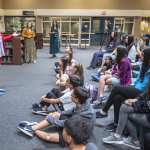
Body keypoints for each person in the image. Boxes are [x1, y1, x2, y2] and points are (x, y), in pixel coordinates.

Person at [17, 87, 95, 147]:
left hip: (79, 133)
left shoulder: (82, 115)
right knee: (55, 115)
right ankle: (34, 127)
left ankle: (34, 130)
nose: (70, 96)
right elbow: (72, 110)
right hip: (75, 124)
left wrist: (52, 120)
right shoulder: (83, 103)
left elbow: (66, 123)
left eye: (72, 95)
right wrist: (59, 114)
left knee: (47, 137)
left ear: (77, 99)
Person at [96, 48, 150, 132]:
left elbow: (145, 87)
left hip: (141, 92)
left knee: (116, 88)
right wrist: (132, 85)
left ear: (147, 57)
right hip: (135, 87)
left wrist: (134, 90)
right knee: (117, 97)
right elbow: (138, 80)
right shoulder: (143, 65)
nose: (140, 56)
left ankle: (104, 110)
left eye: (142, 55)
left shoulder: (146, 68)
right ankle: (116, 124)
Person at [102, 81, 150, 150]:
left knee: (124, 109)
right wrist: (136, 99)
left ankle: (119, 136)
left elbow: (147, 106)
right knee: (121, 102)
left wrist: (134, 104)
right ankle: (133, 140)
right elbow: (145, 93)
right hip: (146, 108)